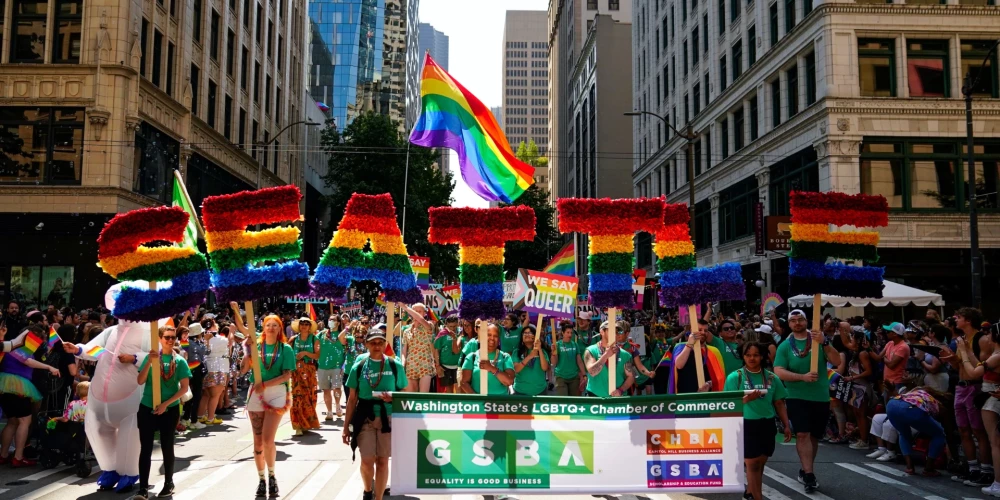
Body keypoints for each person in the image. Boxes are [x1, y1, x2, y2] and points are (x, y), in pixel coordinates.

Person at [772, 309, 842, 494]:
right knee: (802, 433)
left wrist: (825, 342)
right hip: (796, 396)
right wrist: (801, 377)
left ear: (806, 321)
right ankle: (810, 475)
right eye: (793, 320)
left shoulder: (819, 340)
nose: (797, 323)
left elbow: (836, 361)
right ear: (789, 324)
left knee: (813, 436)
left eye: (800, 319)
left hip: (820, 396)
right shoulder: (785, 346)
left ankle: (805, 468)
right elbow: (778, 370)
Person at [232, 304, 295, 498]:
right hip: (256, 392)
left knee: (268, 440)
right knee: (258, 442)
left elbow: (287, 375)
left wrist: (266, 384)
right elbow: (243, 369)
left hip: (275, 392)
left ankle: (272, 475)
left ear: (280, 328)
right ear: (263, 327)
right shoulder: (255, 345)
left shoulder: (285, 349)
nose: (271, 328)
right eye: (268, 325)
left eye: (275, 325)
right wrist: (247, 351)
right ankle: (261, 479)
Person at [343, 327, 408, 500]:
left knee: (382, 461)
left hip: (388, 418)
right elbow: (351, 399)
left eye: (380, 342)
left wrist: (393, 397)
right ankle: (367, 490)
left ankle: (378, 497)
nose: (377, 346)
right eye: (373, 343)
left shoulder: (395, 366)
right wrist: (345, 427)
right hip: (365, 417)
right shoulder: (359, 366)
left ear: (385, 344)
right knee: (367, 460)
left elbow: (406, 393)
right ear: (367, 345)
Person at [724, 342, 791, 500]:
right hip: (745, 424)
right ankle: (757, 497)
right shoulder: (735, 377)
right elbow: (727, 405)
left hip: (767, 424)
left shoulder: (772, 377)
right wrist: (746, 400)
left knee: (760, 464)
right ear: (743, 357)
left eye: (755, 355)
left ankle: (750, 493)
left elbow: (779, 402)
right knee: (752, 464)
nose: (752, 358)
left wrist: (787, 425)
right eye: (748, 355)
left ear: (762, 357)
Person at [134, 325, 191, 500]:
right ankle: (143, 487)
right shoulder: (151, 358)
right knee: (146, 448)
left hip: (169, 409)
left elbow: (184, 388)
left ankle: (168, 483)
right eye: (166, 337)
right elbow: (140, 380)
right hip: (147, 407)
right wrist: (150, 363)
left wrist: (166, 404)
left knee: (167, 446)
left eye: (173, 337)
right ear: (160, 338)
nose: (170, 340)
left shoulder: (180, 361)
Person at [940, 307, 994, 486]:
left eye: (959, 317)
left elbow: (979, 368)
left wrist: (963, 353)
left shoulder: (981, 339)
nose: (955, 319)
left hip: (974, 387)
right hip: (961, 387)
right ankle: (972, 468)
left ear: (969, 320)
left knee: (978, 431)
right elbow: (960, 367)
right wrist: (951, 359)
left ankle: (986, 470)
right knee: (963, 429)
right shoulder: (961, 339)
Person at [0, 323, 58, 467]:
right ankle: (18, 457)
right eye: (39, 338)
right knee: (25, 421)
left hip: (5, 385)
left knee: (12, 422)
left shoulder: (11, 344)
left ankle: (3, 454)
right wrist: (49, 367)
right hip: (18, 386)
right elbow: (27, 361)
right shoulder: (22, 346)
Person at [956, 330, 1000, 496]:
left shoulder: (997, 355)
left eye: (989, 335)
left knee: (994, 442)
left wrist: (962, 353)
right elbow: (979, 366)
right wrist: (968, 351)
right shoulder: (995, 354)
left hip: (992, 398)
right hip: (990, 395)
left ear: (995, 338)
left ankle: (997, 483)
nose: (986, 337)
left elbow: (974, 373)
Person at [886, 386, 950, 477]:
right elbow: (936, 418)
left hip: (891, 404)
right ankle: (929, 468)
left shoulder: (914, 392)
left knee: (903, 433)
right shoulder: (934, 401)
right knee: (939, 434)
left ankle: (909, 467)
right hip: (910, 408)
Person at [583, 321, 635, 398]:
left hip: (617, 399)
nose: (615, 334)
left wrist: (621, 390)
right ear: (602, 332)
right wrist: (606, 355)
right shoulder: (590, 350)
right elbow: (592, 372)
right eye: (611, 330)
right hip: (595, 398)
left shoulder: (625, 354)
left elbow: (631, 376)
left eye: (617, 331)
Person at [461, 324, 515, 395]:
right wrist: (477, 399)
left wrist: (491, 368)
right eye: (489, 335)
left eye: (495, 336)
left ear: (499, 339)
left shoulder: (505, 357)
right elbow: (464, 383)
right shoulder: (472, 357)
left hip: (501, 404)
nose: (492, 338)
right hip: (480, 404)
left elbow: (509, 381)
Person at [672, 320, 722, 394]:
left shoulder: (714, 351)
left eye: (705, 330)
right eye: (699, 330)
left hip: (706, 398)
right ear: (692, 330)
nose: (703, 332)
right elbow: (679, 365)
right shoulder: (680, 347)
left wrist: (709, 384)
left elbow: (719, 377)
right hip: (684, 397)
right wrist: (689, 344)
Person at [290, 317, 320, 436]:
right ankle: (298, 424)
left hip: (309, 371)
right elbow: (286, 353)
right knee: (297, 397)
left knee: (309, 397)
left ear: (309, 327)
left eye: (306, 324)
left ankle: (306, 422)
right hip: (296, 372)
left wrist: (306, 353)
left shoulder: (314, 339)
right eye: (302, 324)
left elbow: (317, 356)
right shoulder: (293, 339)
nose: (304, 326)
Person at [200, 320, 231, 427]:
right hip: (219, 368)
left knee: (206, 395)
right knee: (215, 395)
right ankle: (210, 418)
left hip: (207, 368)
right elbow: (229, 343)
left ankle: (200, 416)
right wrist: (231, 331)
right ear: (213, 326)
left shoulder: (201, 338)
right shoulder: (221, 339)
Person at [401, 303, 435, 393]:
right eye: (415, 311)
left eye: (419, 311)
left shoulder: (428, 325)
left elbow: (420, 319)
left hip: (425, 365)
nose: (416, 313)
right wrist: (402, 365)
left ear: (424, 313)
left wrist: (406, 307)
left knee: (423, 396)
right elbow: (404, 351)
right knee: (410, 396)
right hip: (411, 365)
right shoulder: (406, 331)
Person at [318, 316, 347, 420]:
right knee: (326, 390)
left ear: (338, 323)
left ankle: (338, 406)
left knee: (337, 388)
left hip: (337, 366)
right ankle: (329, 411)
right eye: (329, 319)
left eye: (333, 320)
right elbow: (313, 341)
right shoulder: (322, 334)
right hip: (322, 366)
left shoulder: (341, 335)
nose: (331, 321)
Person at [512, 325, 550, 396]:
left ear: (535, 336)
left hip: (540, 391)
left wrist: (539, 349)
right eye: (525, 333)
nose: (527, 335)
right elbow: (516, 369)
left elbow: (545, 368)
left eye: (530, 333)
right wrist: (530, 356)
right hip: (520, 391)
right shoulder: (517, 352)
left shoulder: (542, 352)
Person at [552, 323, 586, 396]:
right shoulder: (557, 345)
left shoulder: (575, 344)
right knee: (564, 401)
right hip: (561, 377)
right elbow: (554, 362)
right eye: (567, 332)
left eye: (571, 333)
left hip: (574, 377)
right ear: (563, 333)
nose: (570, 335)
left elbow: (579, 361)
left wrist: (584, 375)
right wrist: (553, 353)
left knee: (574, 401)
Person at [433, 315, 463, 394]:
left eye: (454, 326)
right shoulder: (442, 334)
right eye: (450, 326)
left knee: (458, 389)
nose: (452, 328)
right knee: (448, 390)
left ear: (457, 324)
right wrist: (438, 365)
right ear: (446, 325)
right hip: (445, 367)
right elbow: (436, 350)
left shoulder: (461, 333)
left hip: (458, 366)